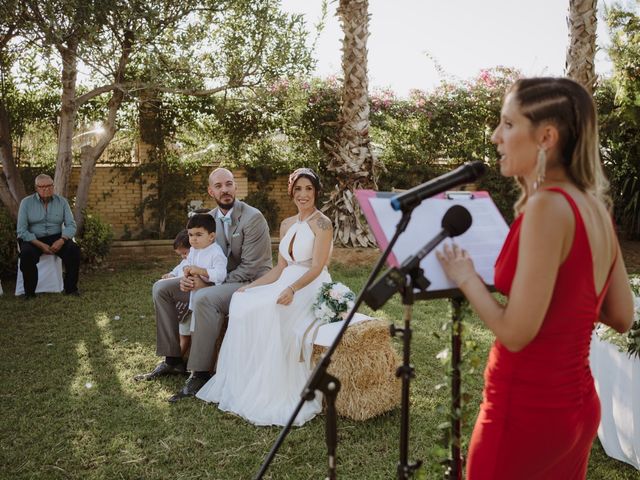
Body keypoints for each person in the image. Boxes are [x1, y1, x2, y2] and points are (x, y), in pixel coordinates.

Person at [435, 77, 635, 479]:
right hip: (576, 410)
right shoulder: (594, 208)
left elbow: (516, 332)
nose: (495, 137)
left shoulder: (547, 206)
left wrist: (466, 276)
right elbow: (621, 315)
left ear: (545, 136)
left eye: (508, 124)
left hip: (525, 412)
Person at [196, 167, 333, 427]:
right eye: (299, 189)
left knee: (272, 309)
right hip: (285, 279)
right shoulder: (287, 223)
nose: (303, 194)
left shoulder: (323, 223)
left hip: (309, 284)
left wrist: (292, 290)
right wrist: (252, 287)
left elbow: (317, 267)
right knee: (243, 302)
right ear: (292, 191)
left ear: (316, 192)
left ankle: (273, 387)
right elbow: (280, 268)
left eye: (309, 189)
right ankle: (245, 381)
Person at [134, 168, 272, 403]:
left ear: (235, 187)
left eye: (229, 184)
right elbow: (196, 256)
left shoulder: (253, 217)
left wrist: (204, 282)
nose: (225, 190)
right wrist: (187, 277)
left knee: (203, 297)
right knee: (161, 288)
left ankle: (200, 373)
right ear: (211, 191)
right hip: (214, 278)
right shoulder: (208, 219)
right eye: (218, 186)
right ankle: (173, 360)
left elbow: (250, 268)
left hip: (250, 282)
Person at [16, 174, 81, 298]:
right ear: (36, 188)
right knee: (26, 254)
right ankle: (29, 293)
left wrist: (62, 240)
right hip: (33, 239)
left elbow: (71, 225)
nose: (46, 189)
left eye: (49, 186)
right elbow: (21, 230)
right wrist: (40, 245)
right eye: (42, 187)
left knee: (73, 250)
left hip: (56, 237)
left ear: (53, 186)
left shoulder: (62, 202)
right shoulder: (26, 203)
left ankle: (71, 289)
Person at [182, 213, 227, 331]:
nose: (193, 239)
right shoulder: (193, 250)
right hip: (195, 293)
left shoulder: (216, 253)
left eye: (198, 235)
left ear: (211, 236)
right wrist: (186, 270)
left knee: (204, 326)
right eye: (190, 235)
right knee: (194, 327)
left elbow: (221, 275)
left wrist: (201, 271)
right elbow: (187, 263)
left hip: (212, 295)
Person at [160, 229, 192, 358]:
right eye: (181, 255)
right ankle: (176, 355)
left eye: (185, 253)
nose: (183, 257)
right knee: (179, 331)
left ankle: (176, 359)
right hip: (177, 301)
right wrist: (171, 275)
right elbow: (176, 269)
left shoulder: (195, 263)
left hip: (187, 303)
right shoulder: (184, 262)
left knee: (185, 333)